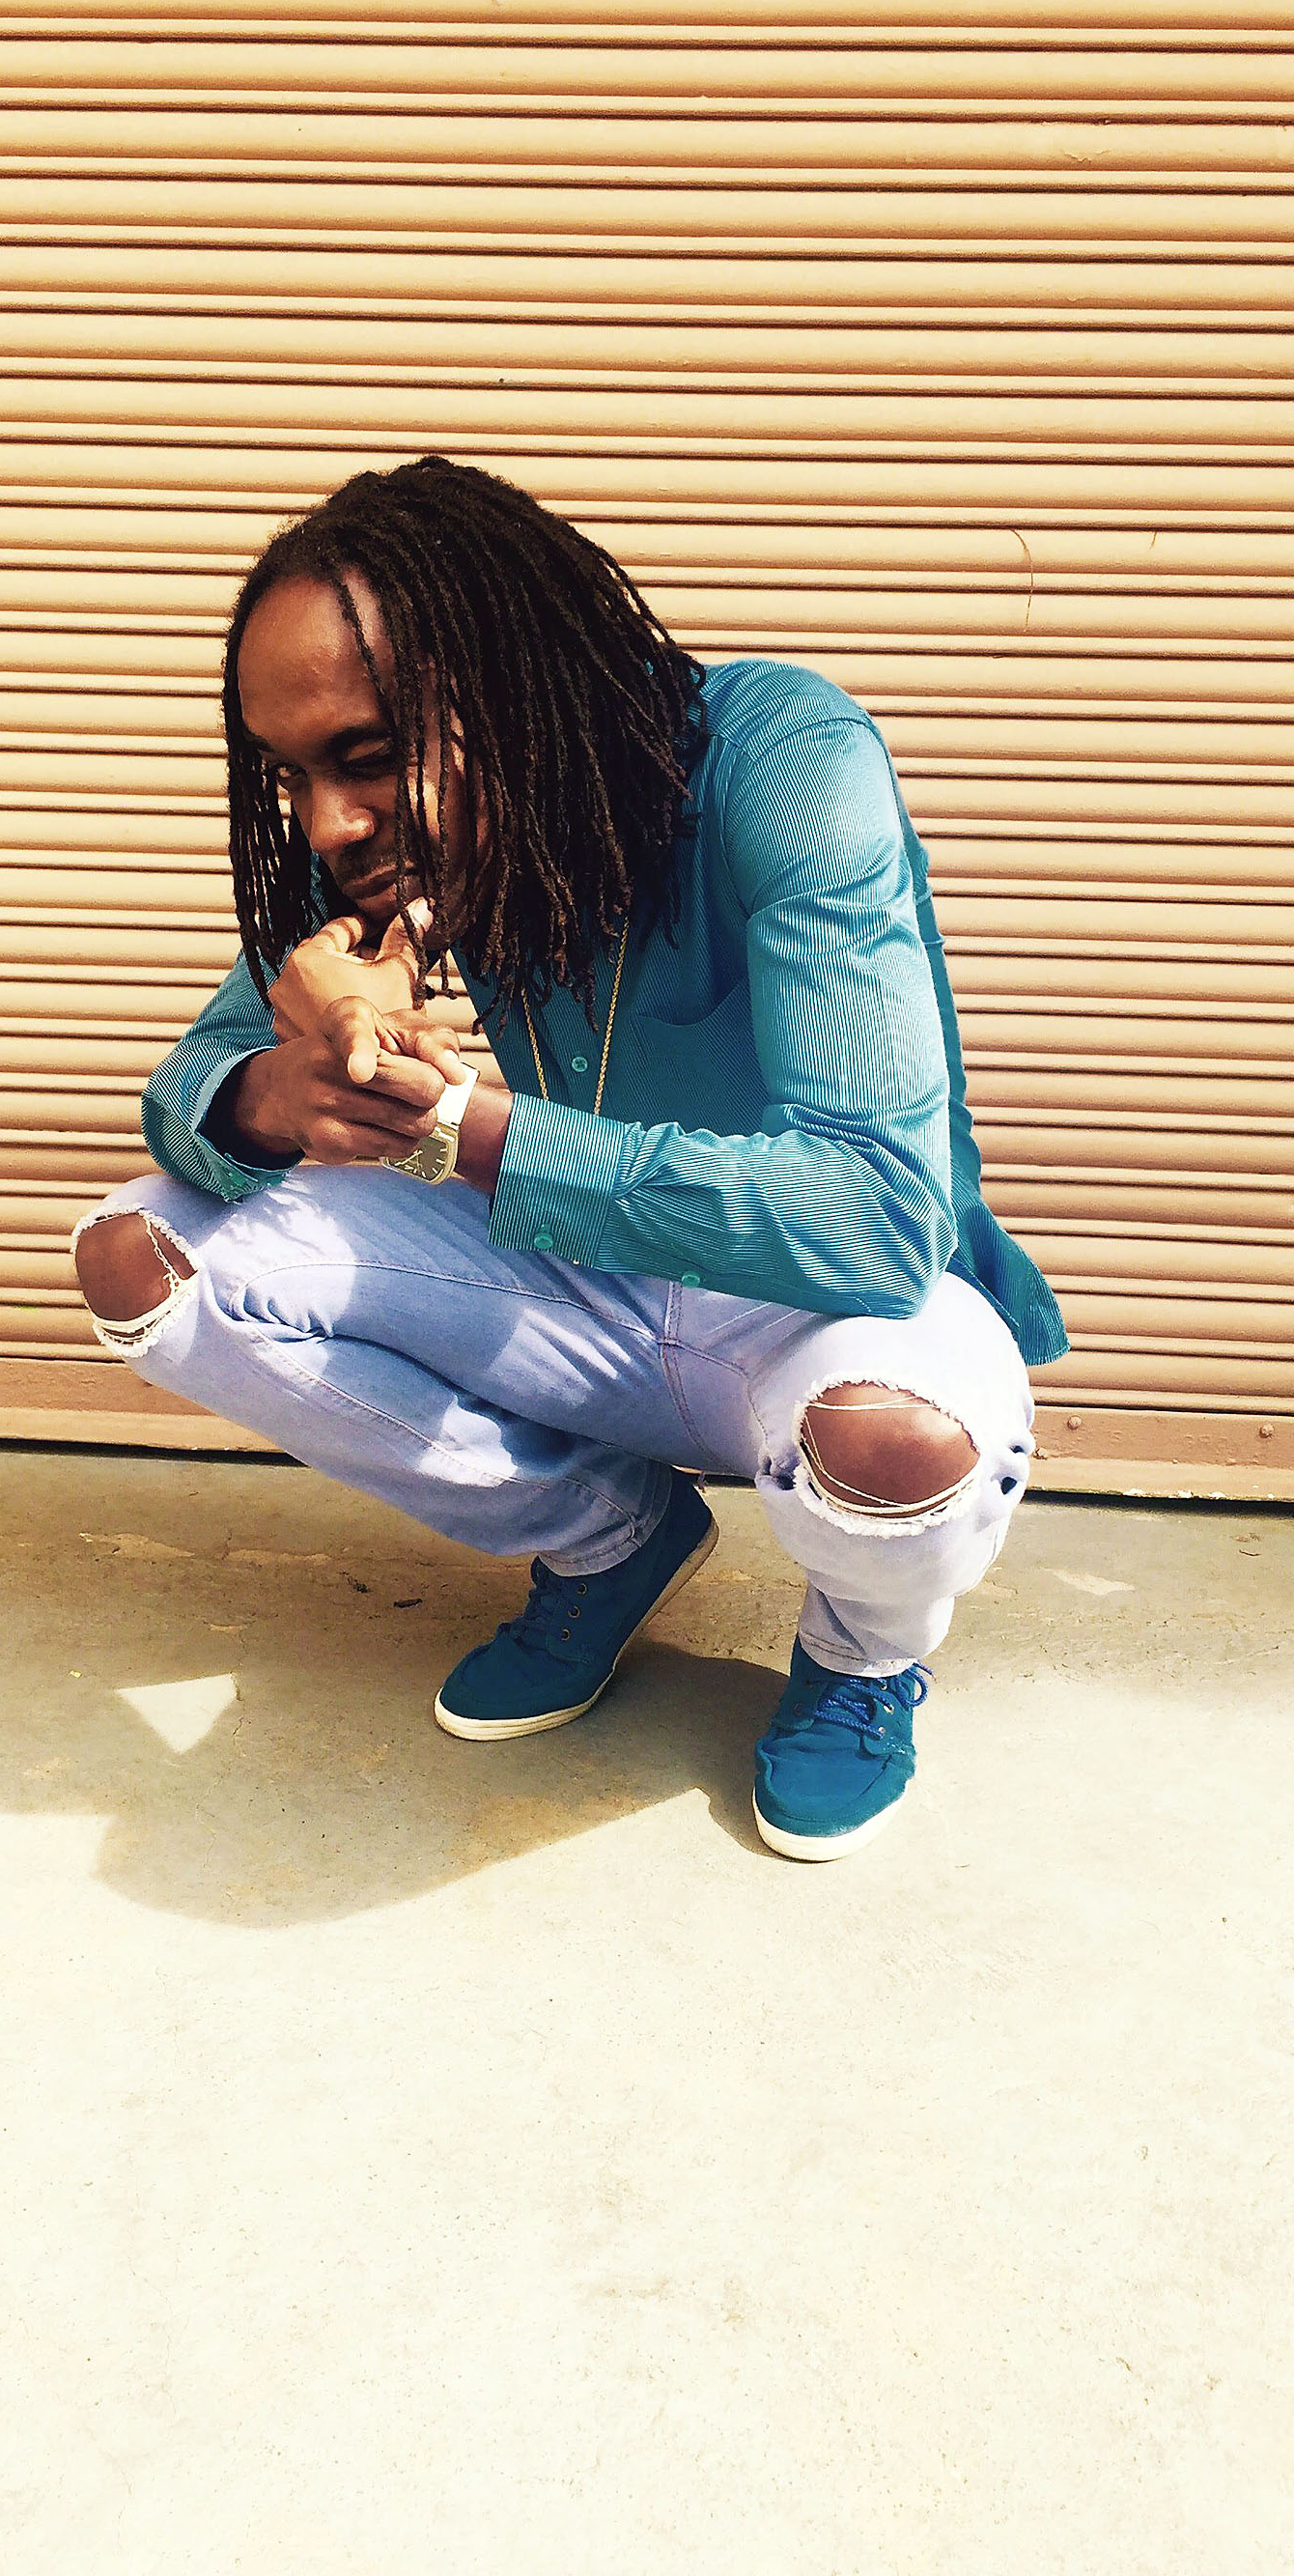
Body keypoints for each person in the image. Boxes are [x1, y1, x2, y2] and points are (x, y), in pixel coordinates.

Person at [72, 456, 1066, 1860]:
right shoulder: (388, 858)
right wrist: (279, 1096)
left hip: (822, 1319)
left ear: (516, 686)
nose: (327, 822)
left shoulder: (785, 761)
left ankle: (860, 1655)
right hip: (578, 1290)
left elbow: (877, 1219)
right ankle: (607, 1536)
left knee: (893, 1446)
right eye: (290, 775)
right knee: (147, 1258)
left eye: (368, 756)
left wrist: (457, 1125)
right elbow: (189, 1092)